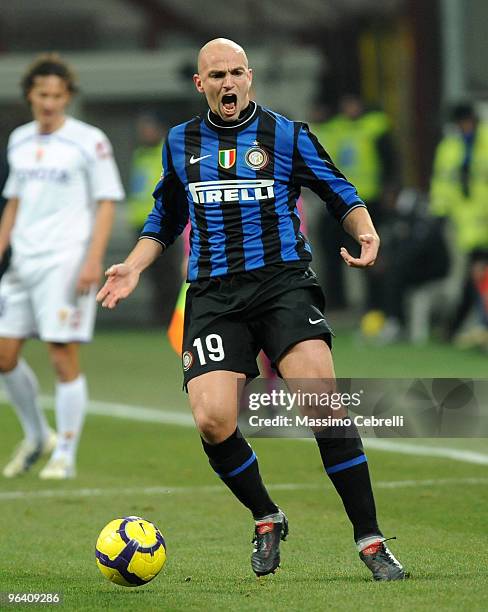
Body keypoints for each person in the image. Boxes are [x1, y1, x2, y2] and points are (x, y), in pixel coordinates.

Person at [97, 38, 406, 581]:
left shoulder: (286, 134)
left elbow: (339, 191)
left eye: (236, 72)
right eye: (216, 75)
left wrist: (366, 231)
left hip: (282, 283)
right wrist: (134, 265)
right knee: (213, 419)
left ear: (250, 77)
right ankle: (266, 516)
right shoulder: (180, 142)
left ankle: (371, 540)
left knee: (322, 401)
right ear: (201, 84)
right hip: (214, 296)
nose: (228, 83)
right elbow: (166, 217)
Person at [0, 53, 124, 479]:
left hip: (66, 260)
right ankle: (38, 436)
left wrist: (93, 258)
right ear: (30, 96)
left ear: (67, 96)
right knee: (3, 354)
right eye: (42, 94)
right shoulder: (18, 139)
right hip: (23, 261)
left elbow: (106, 201)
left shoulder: (90, 140)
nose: (49, 102)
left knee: (60, 355)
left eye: (57, 95)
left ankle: (65, 455)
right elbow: (14, 202)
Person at [311, 95, 399, 311]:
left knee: (370, 253)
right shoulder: (338, 128)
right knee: (332, 251)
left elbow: (391, 160)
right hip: (339, 202)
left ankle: (376, 304)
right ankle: (337, 302)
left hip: (370, 201)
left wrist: (390, 189)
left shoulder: (374, 127)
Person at [430, 102, 488, 345]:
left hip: (482, 219)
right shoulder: (449, 147)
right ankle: (460, 327)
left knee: (475, 277)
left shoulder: (484, 142)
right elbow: (442, 181)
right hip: (462, 223)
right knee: (470, 277)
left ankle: (460, 327)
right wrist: (440, 211)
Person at [127, 112, 181, 326]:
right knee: (152, 275)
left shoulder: (167, 152)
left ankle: (172, 318)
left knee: (168, 275)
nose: (145, 132)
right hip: (140, 223)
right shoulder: (140, 154)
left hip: (164, 223)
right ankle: (160, 317)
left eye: (148, 127)